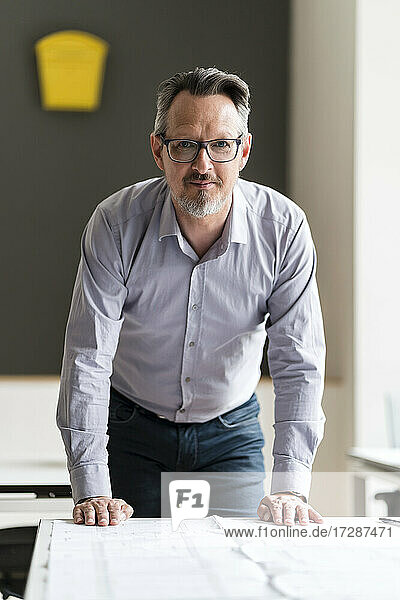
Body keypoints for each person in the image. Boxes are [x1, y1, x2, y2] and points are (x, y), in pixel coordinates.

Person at [57, 66, 326, 528]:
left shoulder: (284, 230)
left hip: (230, 432)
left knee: (240, 573)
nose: (203, 166)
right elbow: (88, 356)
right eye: (185, 145)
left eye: (220, 145)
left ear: (243, 150)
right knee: (126, 571)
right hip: (132, 427)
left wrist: (290, 486)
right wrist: (92, 487)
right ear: (159, 150)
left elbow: (298, 362)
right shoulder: (116, 226)